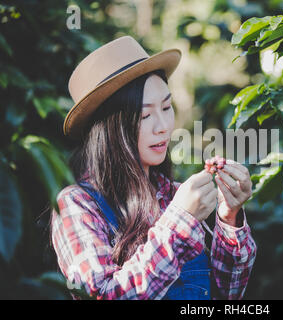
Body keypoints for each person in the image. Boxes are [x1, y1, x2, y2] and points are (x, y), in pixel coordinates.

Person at [50, 36, 257, 300]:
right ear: (110, 128)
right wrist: (180, 221)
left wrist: (229, 218)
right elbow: (101, 295)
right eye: (146, 115)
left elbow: (227, 294)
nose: (163, 126)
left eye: (167, 107)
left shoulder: (174, 195)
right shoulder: (77, 205)